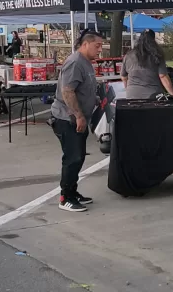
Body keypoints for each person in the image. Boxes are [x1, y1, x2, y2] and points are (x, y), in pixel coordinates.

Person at [50, 30, 103, 212]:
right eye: (97, 46)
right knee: (73, 158)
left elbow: (83, 89)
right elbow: (67, 91)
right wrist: (79, 116)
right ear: (85, 44)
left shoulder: (86, 63)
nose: (100, 50)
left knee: (78, 157)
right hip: (67, 118)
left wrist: (95, 100)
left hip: (78, 118)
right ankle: (66, 197)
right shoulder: (74, 63)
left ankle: (73, 191)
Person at [120, 29, 173, 99]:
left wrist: (129, 89)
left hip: (131, 96)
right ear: (153, 40)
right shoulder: (157, 55)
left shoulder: (128, 55)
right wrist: (172, 94)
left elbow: (123, 77)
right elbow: (163, 76)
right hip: (153, 96)